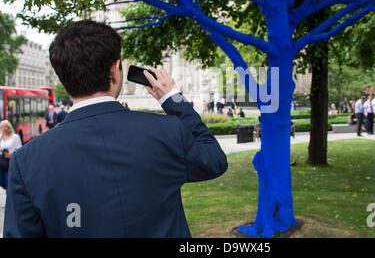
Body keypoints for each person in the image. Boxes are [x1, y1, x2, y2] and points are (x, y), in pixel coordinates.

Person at [3, 20, 227, 238]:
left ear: (63, 76)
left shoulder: (26, 161)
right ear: (115, 70)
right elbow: (214, 160)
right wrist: (172, 99)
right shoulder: (166, 131)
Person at [0, 120, 22, 190]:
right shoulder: (0, 136)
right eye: (2, 127)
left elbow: (20, 150)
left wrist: (12, 153)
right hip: (1, 164)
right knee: (2, 183)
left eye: (6, 126)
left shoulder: (15, 137)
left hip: (11, 164)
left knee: (9, 184)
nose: (4, 128)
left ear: (9, 127)